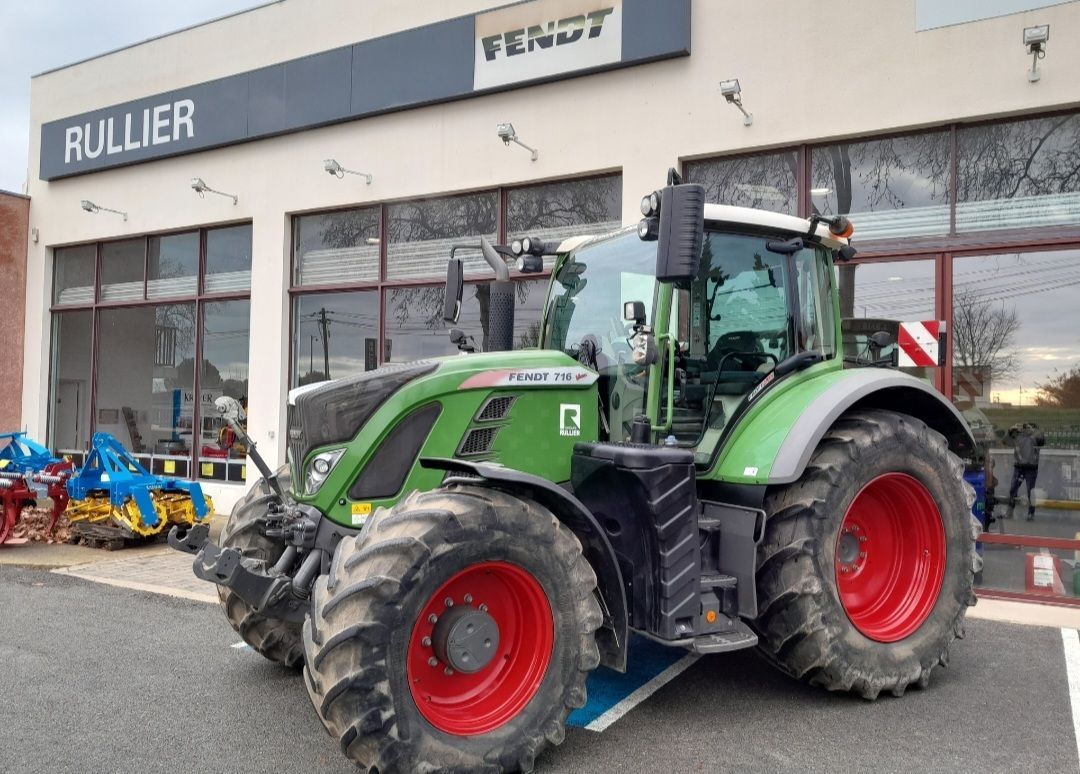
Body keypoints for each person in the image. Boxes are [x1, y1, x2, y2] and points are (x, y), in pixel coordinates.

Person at [1005, 423, 1046, 521]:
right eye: (1025, 428)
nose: (1025, 430)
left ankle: (1031, 513)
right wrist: (1010, 430)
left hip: (1031, 468)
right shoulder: (1018, 436)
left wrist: (1034, 433)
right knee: (1013, 490)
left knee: (1030, 492)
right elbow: (1006, 442)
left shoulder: (1036, 437)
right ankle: (1009, 512)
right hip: (1019, 467)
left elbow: (1042, 441)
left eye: (1028, 428)